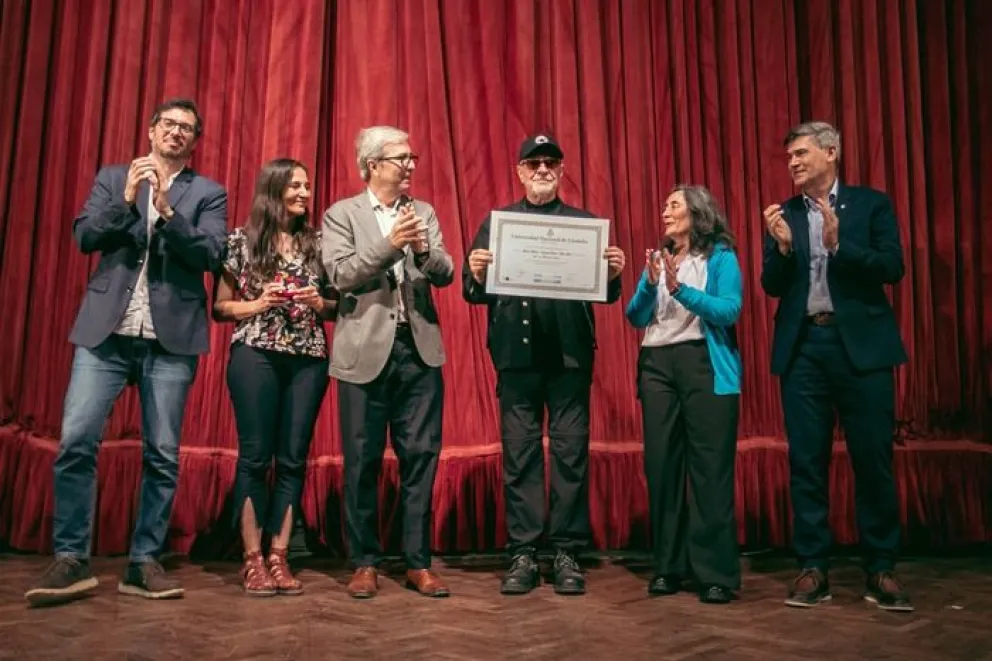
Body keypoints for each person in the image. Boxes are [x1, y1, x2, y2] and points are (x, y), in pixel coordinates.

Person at [24, 99, 228, 606]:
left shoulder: (208, 192)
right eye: (169, 125)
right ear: (152, 129)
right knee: (76, 441)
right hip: (106, 333)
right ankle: (71, 558)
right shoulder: (115, 176)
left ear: (194, 140)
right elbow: (86, 236)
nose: (176, 133)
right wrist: (129, 197)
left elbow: (212, 253)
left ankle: (144, 562)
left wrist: (165, 211)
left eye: (187, 129)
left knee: (161, 454)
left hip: (170, 338)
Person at [463, 134, 626, 595]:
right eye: (533, 163)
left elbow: (606, 294)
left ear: (560, 168)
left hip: (570, 360)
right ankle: (524, 552)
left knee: (572, 456)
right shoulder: (498, 225)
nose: (541, 169)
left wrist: (612, 276)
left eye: (550, 162)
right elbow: (471, 290)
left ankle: (568, 551)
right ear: (519, 171)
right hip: (517, 359)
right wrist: (475, 272)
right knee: (521, 458)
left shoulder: (585, 224)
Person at [761, 121, 912, 611]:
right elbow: (772, 285)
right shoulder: (783, 214)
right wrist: (783, 248)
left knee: (873, 460)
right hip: (805, 346)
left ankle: (882, 567)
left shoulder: (871, 204)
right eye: (789, 158)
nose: (794, 163)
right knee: (806, 461)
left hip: (861, 350)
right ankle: (812, 568)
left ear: (832, 152)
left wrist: (840, 244)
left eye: (802, 154)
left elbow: (893, 267)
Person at [322, 126, 454, 599]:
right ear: (373, 164)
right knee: (362, 461)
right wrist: (390, 244)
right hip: (364, 351)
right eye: (401, 158)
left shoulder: (423, 213)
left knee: (421, 457)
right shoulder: (342, 215)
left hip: (418, 350)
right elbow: (340, 275)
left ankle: (418, 562)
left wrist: (421, 248)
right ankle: (365, 562)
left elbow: (446, 272)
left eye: (412, 157)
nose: (411, 166)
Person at [213, 158, 336, 596]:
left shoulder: (320, 244)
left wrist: (318, 301)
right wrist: (258, 304)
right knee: (254, 457)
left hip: (309, 357)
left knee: (292, 459)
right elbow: (220, 306)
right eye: (295, 185)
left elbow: (337, 307)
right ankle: (252, 561)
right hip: (255, 354)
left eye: (306, 185)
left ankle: (279, 558)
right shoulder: (240, 242)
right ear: (274, 189)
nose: (304, 192)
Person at [625, 185, 743, 604]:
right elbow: (636, 316)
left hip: (704, 364)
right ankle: (668, 567)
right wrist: (650, 285)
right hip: (657, 365)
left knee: (709, 470)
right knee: (663, 468)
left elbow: (729, 310)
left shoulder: (721, 257)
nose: (666, 211)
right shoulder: (657, 259)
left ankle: (715, 574)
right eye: (665, 205)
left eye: (674, 204)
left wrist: (680, 291)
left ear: (697, 212)